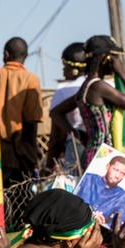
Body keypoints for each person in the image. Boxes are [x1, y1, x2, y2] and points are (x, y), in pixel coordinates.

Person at [51, 36, 125, 170]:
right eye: (114, 58)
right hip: (101, 158)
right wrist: (122, 74)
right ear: (104, 59)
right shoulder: (98, 87)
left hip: (94, 155)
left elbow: (55, 112)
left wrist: (77, 133)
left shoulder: (87, 86)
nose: (117, 61)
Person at [0, 37, 43, 186]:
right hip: (18, 155)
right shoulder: (31, 79)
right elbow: (31, 122)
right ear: (25, 57)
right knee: (18, 203)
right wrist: (30, 155)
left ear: (6, 54)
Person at [45, 43, 87, 174]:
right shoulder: (103, 86)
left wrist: (48, 166)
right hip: (104, 149)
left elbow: (57, 137)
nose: (63, 71)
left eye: (65, 67)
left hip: (76, 149)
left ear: (74, 69)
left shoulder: (63, 92)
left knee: (76, 190)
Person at [74, 155, 125, 225]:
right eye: (116, 170)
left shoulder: (123, 197)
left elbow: (118, 223)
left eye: (122, 173)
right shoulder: (88, 178)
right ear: (108, 166)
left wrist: (102, 223)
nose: (117, 176)